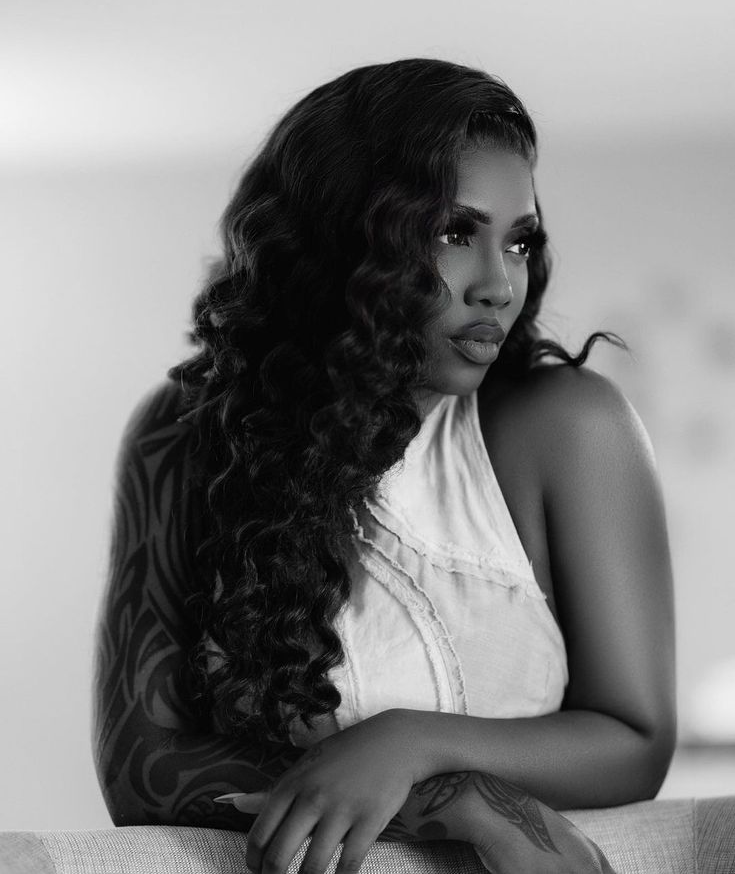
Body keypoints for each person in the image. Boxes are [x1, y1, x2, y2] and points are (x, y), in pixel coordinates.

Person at [93, 58, 676, 874]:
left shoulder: (566, 425)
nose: (498, 284)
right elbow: (138, 766)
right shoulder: (184, 436)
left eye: (518, 239)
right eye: (451, 232)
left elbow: (635, 739)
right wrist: (446, 796)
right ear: (342, 235)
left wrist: (412, 742)